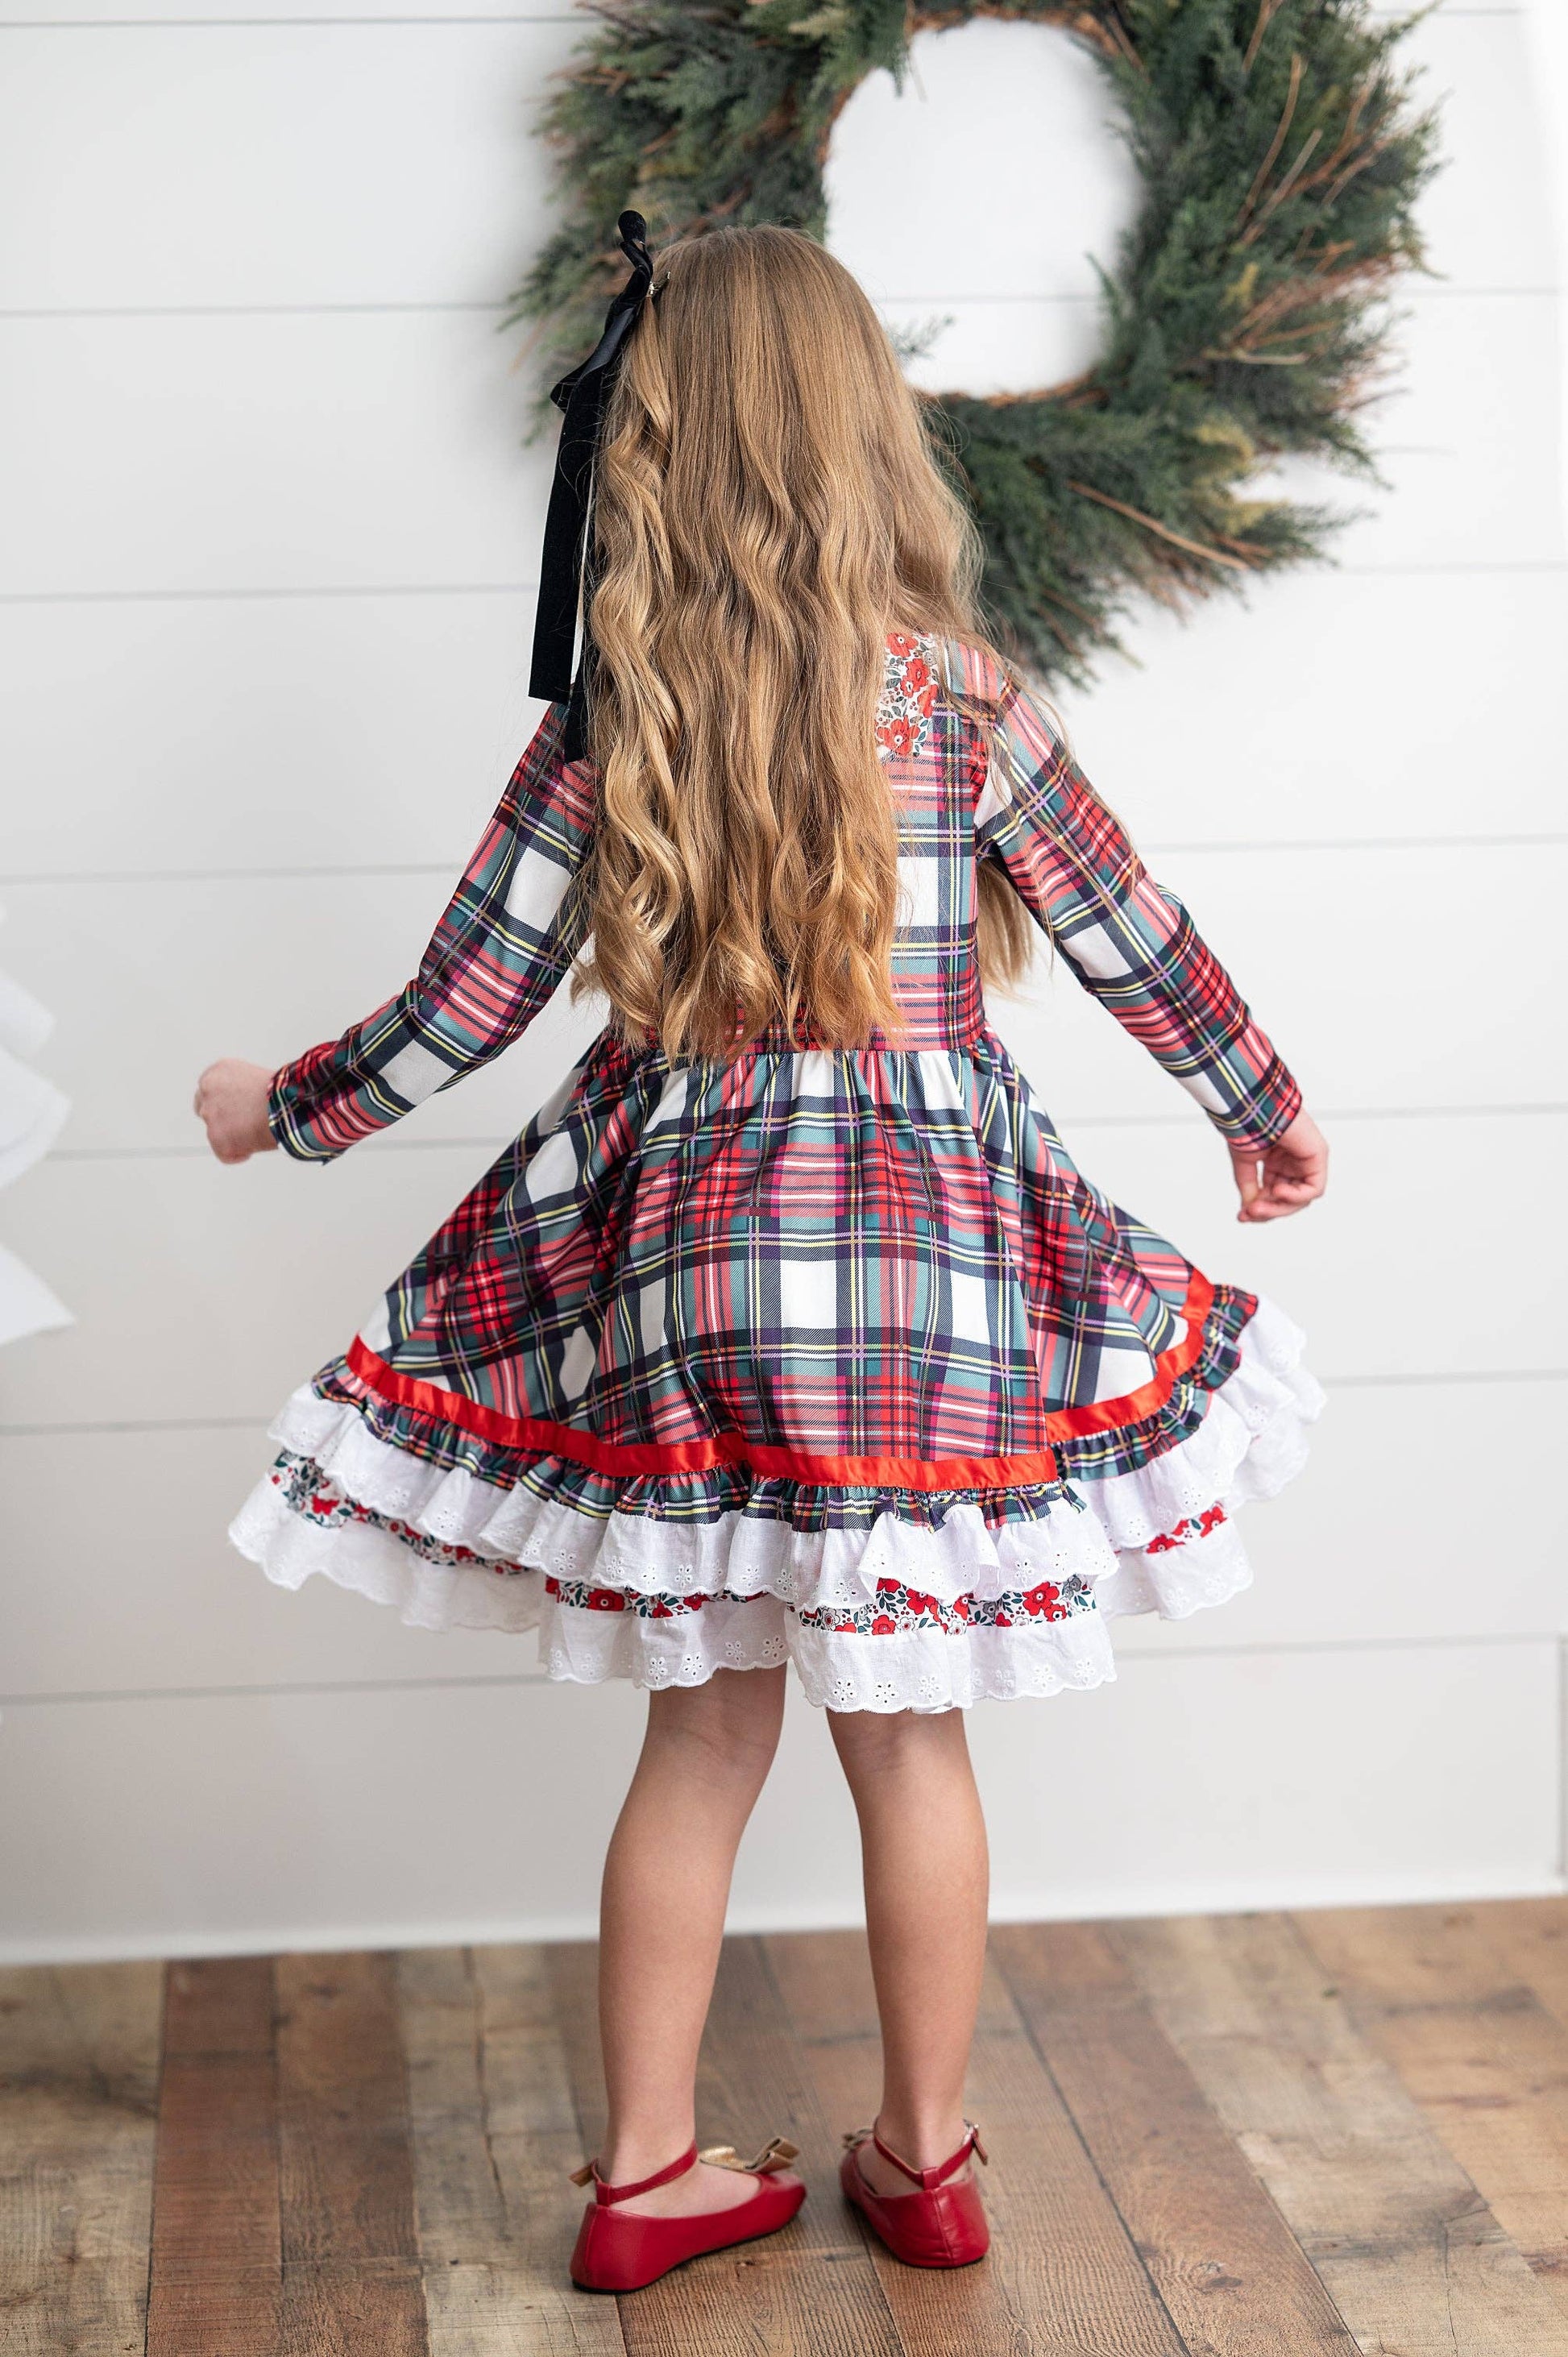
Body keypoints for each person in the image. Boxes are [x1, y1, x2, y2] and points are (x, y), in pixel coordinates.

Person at [195, 223, 1327, 2293]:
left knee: (702, 1736)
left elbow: (463, 1005)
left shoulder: (616, 711)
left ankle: (646, 2170)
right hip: (929, 1268)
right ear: (864, 427)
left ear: (658, 437)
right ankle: (928, 2154)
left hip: (685, 1269)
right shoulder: (958, 698)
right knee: (912, 1733)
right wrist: (1258, 1101)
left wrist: (285, 1101)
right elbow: (1130, 932)